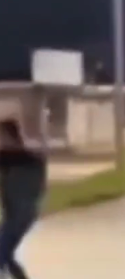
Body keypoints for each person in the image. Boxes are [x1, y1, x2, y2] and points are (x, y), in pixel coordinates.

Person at [0, 119, 47, 279]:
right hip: (18, 214)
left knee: (3, 252)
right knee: (7, 254)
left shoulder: (25, 157)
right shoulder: (20, 157)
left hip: (21, 214)